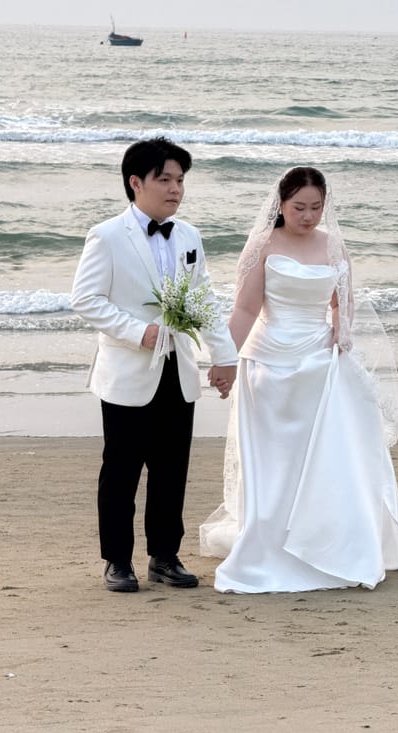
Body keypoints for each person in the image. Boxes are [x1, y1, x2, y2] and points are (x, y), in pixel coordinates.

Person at [200, 166, 398, 593]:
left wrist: (341, 334)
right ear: (281, 205)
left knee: (324, 458)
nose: (308, 215)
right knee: (274, 463)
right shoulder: (262, 245)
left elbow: (342, 302)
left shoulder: (333, 247)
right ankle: (268, 544)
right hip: (268, 367)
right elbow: (244, 310)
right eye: (299, 207)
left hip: (319, 366)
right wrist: (225, 360)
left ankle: (327, 543)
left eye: (316, 207)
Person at [72, 137, 237, 592]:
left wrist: (224, 356)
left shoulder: (188, 236)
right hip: (127, 372)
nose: (175, 189)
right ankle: (117, 562)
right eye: (164, 179)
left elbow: (202, 298)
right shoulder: (106, 235)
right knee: (121, 471)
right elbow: (85, 299)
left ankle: (165, 556)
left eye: (180, 180)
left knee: (171, 469)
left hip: (177, 371)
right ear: (135, 182)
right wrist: (135, 331)